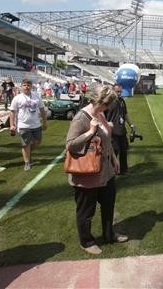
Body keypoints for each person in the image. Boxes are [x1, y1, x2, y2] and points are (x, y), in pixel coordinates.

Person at [65, 85, 127, 255]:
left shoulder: (100, 113)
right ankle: (86, 241)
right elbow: (70, 145)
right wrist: (91, 131)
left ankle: (109, 234)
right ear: (99, 101)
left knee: (108, 204)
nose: (108, 108)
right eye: (107, 105)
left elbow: (106, 139)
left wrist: (114, 158)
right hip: (87, 173)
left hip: (105, 171)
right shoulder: (81, 118)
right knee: (86, 210)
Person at [9, 79, 47, 171]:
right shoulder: (17, 98)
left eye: (28, 85)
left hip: (36, 124)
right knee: (25, 144)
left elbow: (42, 109)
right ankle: (27, 162)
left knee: (38, 141)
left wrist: (45, 121)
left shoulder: (36, 96)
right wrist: (12, 125)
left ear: (31, 86)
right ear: (21, 87)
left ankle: (28, 153)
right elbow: (12, 112)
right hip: (23, 125)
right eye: (24, 85)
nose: (27, 87)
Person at [104, 83, 136, 176]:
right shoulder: (108, 102)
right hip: (112, 131)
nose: (119, 93)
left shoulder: (122, 100)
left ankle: (123, 170)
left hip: (122, 130)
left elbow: (125, 114)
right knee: (114, 151)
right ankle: (111, 171)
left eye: (120, 92)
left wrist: (131, 125)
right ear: (113, 91)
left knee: (124, 150)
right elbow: (102, 116)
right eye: (117, 91)